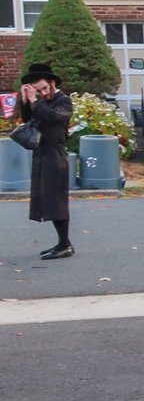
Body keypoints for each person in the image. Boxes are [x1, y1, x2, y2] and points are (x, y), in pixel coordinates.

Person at [17, 62, 74, 260]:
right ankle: (62, 243)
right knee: (47, 201)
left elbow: (50, 117)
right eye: (38, 90)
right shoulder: (39, 102)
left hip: (56, 156)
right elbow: (27, 121)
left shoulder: (63, 101)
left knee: (56, 201)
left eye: (44, 88)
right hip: (41, 154)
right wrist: (25, 101)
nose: (42, 93)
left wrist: (35, 101)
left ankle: (65, 244)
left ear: (52, 82)